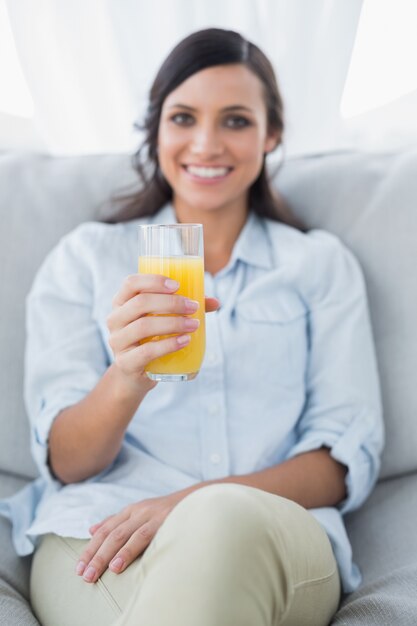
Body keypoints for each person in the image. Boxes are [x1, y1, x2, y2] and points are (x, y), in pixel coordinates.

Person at [0, 27, 383, 626]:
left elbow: (341, 459)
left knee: (222, 521)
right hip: (103, 531)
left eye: (235, 120)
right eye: (183, 117)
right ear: (156, 129)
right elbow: (67, 462)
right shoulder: (85, 259)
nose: (206, 143)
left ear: (271, 133)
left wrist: (191, 505)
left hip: (267, 528)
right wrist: (127, 377)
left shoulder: (318, 265)